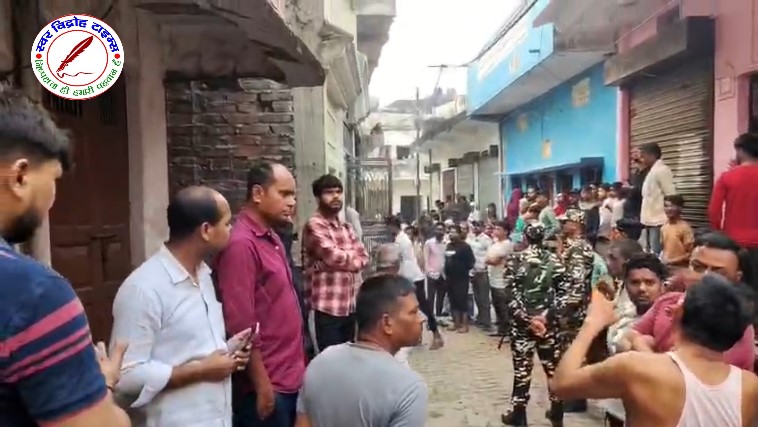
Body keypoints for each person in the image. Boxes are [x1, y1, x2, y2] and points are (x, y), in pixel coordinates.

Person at [0, 84, 130, 426]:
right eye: (54, 179)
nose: (53, 200)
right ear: (20, 176)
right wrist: (99, 388)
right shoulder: (33, 294)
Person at [111, 187, 250, 427]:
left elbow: (192, 350)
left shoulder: (204, 276)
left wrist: (228, 354)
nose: (232, 230)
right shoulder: (143, 288)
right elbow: (124, 376)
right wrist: (200, 371)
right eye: (227, 223)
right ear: (206, 230)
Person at [552, 274, 758, 427]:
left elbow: (561, 385)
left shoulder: (637, 367)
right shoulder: (749, 386)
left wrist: (592, 323)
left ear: (678, 313)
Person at [215, 161, 305, 427]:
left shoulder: (272, 237)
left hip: (290, 375)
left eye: (293, 195)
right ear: (257, 193)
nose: (292, 203)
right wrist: (262, 384)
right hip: (267, 385)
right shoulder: (241, 244)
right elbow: (241, 323)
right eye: (284, 194)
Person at [294, 275, 428, 427]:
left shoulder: (320, 363)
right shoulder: (408, 388)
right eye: (414, 312)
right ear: (387, 323)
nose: (421, 318)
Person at [624, 232, 755, 371]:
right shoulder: (667, 301)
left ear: (737, 278)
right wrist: (640, 343)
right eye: (698, 267)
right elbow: (628, 337)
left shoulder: (736, 324)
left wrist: (643, 348)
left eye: (718, 273)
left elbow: (693, 374)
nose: (705, 277)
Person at [500, 223, 570, 427]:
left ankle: (519, 416)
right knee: (552, 369)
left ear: (525, 237)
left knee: (522, 370)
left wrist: (527, 319)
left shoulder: (515, 260)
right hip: (548, 325)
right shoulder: (556, 261)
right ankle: (557, 413)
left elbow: (509, 295)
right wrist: (546, 317)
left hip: (522, 326)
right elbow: (564, 294)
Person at [302, 175, 369, 351]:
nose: (335, 196)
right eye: (329, 193)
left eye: (338, 192)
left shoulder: (346, 228)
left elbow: (364, 257)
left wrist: (339, 262)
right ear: (318, 198)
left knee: (347, 359)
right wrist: (351, 259)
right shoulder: (314, 225)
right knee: (328, 360)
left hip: (349, 307)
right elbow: (332, 255)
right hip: (325, 308)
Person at [555, 208, 595, 414]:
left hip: (574, 308)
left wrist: (568, 307)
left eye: (567, 222)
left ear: (577, 224)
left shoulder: (578, 247)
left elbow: (577, 281)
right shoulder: (572, 245)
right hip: (573, 305)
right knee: (570, 350)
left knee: (574, 351)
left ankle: (577, 398)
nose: (563, 225)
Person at [386, 216, 444, 350]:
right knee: (413, 307)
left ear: (393, 226)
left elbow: (397, 259)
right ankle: (418, 335)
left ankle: (436, 334)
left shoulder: (401, 240)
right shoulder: (400, 238)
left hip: (412, 276)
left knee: (423, 307)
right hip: (409, 275)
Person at [709, 133, 758, 287]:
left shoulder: (727, 177)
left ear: (740, 150)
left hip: (734, 242)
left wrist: (719, 234)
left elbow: (714, 211)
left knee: (735, 286)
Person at [606, 253, 667, 355]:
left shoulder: (671, 322)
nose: (641, 288)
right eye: (635, 282)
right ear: (625, 285)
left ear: (662, 285)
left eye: (649, 282)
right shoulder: (618, 318)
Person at [638, 142, 676, 255]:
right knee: (649, 252)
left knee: (656, 253)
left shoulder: (662, 170)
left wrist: (670, 217)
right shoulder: (651, 171)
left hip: (658, 220)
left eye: (643, 156)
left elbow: (670, 194)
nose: (642, 159)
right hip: (649, 220)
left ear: (652, 155)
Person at [444, 224, 475, 333]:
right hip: (450, 278)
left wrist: (461, 269)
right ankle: (456, 323)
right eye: (450, 232)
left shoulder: (465, 247)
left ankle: (465, 325)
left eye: (453, 232)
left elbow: (471, 262)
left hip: (461, 278)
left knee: (462, 301)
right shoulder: (449, 246)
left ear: (459, 233)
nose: (451, 234)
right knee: (453, 301)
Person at [486, 220, 514, 338]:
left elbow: (494, 261)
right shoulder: (494, 243)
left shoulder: (507, 244)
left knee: (504, 307)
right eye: (495, 229)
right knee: (497, 305)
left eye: (498, 229)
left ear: (506, 232)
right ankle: (501, 330)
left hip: (502, 280)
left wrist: (488, 260)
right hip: (493, 278)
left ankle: (508, 332)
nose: (495, 231)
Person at [468, 220, 494, 331]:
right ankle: (480, 318)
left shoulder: (487, 240)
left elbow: (490, 254)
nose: (475, 228)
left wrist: (485, 267)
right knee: (477, 297)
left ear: (483, 227)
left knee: (484, 298)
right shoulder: (471, 238)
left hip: (483, 271)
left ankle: (487, 321)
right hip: (473, 271)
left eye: (478, 226)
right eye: (474, 225)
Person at [661, 194, 694, 269]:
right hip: (667, 267)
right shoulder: (664, 227)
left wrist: (672, 261)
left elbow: (691, 254)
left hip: (681, 268)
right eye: (666, 206)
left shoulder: (685, 228)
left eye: (672, 206)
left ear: (680, 208)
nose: (669, 209)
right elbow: (665, 249)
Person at [424, 222, 448, 317]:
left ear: (444, 231)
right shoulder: (429, 243)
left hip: (443, 274)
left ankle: (439, 315)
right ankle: (430, 316)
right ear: (434, 230)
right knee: (431, 296)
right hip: (432, 273)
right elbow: (425, 258)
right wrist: (428, 271)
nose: (439, 232)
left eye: (441, 230)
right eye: (438, 229)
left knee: (441, 297)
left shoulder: (447, 243)